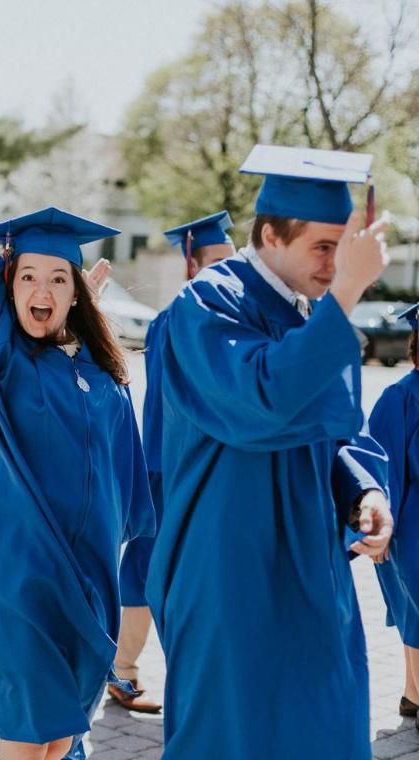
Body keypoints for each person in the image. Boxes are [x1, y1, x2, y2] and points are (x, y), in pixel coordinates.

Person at [0, 74, 155, 760]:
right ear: (6, 288)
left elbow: (127, 495)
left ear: (77, 293)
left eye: (58, 278)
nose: (41, 289)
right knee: (24, 748)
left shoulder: (102, 379)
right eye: (28, 276)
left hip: (85, 591)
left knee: (56, 748)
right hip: (14, 586)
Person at [146, 144, 394, 759]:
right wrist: (345, 299)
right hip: (229, 567)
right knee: (234, 735)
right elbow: (263, 401)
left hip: (307, 566)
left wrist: (360, 489)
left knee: (324, 725)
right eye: (323, 247)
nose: (337, 266)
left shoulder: (304, 313)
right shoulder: (207, 304)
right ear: (270, 235)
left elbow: (325, 436)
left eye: (344, 248)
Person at [111, 211, 235, 714]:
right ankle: (124, 671)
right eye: (217, 263)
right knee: (147, 566)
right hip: (170, 465)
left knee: (175, 570)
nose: (229, 273)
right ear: (192, 265)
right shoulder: (176, 321)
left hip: (198, 469)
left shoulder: (222, 321)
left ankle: (133, 671)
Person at [369, 303, 419, 724]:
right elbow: (381, 470)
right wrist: (381, 529)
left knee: (414, 611)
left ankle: (412, 694)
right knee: (415, 607)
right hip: (412, 523)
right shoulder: (399, 398)